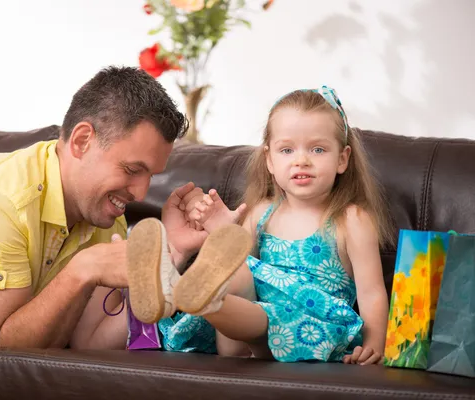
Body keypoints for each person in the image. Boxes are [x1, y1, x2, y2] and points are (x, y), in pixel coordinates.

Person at [0, 66, 207, 350]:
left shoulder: (103, 211)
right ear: (81, 141)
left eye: (151, 176)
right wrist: (81, 270)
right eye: (133, 170)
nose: (141, 192)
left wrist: (172, 250)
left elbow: (87, 340)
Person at [127, 86, 394, 364]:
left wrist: (376, 344)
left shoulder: (350, 219)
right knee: (236, 268)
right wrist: (219, 229)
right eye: (287, 150)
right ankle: (179, 286)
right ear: (269, 159)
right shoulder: (262, 213)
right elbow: (233, 270)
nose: (301, 160)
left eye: (317, 149)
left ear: (342, 159)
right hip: (237, 342)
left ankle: (188, 295)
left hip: (310, 329)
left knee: (264, 314)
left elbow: (372, 291)